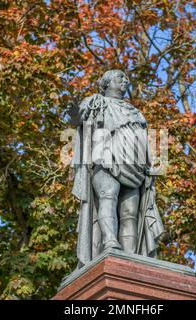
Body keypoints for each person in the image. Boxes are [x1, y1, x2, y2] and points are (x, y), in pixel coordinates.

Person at [68, 69, 164, 268]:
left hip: (135, 166)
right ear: (106, 83)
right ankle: (110, 242)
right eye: (120, 77)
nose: (125, 80)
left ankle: (131, 258)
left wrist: (151, 164)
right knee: (108, 197)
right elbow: (76, 118)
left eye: (126, 77)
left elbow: (146, 140)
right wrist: (75, 109)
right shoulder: (97, 101)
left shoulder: (135, 111)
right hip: (105, 159)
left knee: (130, 212)